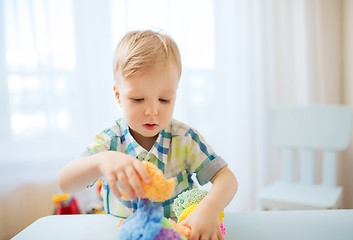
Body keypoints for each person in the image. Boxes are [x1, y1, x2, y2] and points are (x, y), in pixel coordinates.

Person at [58, 30, 238, 240]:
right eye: (138, 99)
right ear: (118, 95)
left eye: (164, 100)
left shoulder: (185, 139)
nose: (152, 111)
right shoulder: (110, 141)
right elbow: (66, 182)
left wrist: (209, 208)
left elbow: (227, 179)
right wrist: (101, 161)